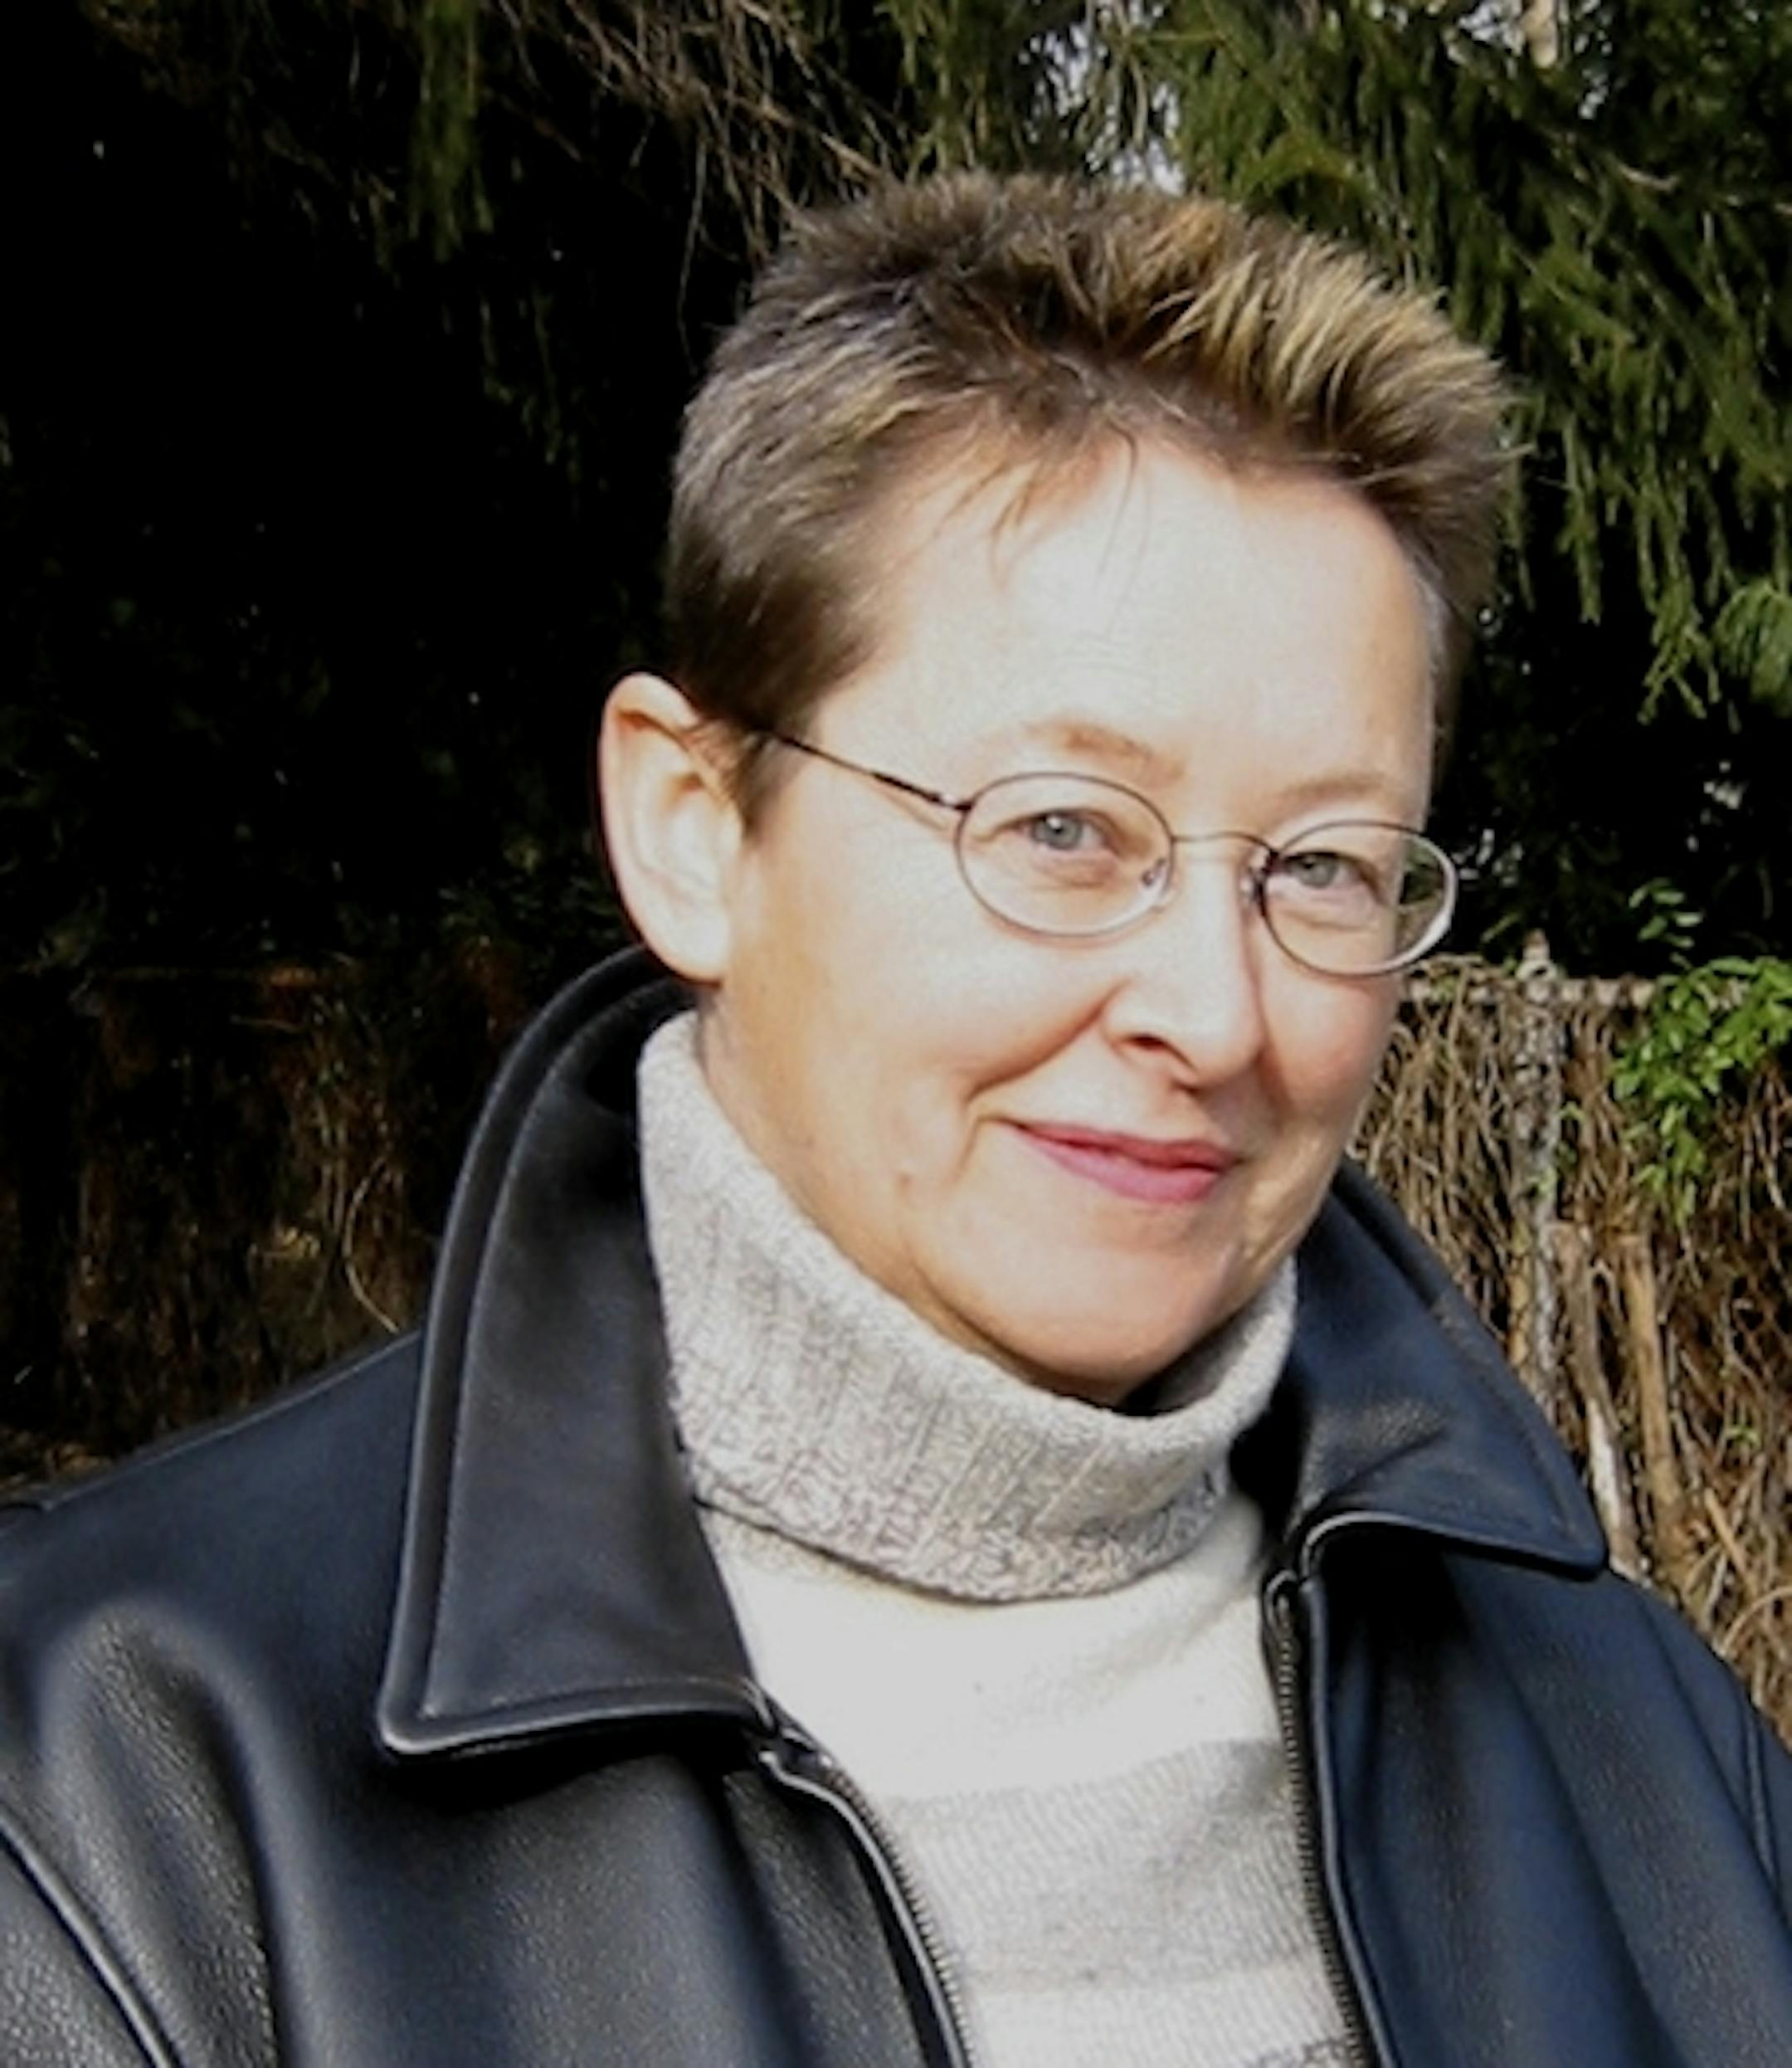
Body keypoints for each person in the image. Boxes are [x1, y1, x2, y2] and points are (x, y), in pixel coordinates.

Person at [0, 174, 1787, 2068]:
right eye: (1061, 829)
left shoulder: (1645, 1753)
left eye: (1327, 865)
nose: (1215, 1013)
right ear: (696, 831)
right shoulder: (113, 1794)